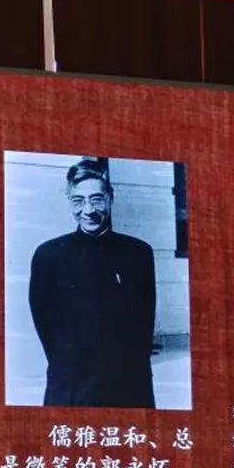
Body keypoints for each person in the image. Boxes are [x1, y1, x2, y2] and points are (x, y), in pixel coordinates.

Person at [28, 158, 156, 408]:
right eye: (78, 201)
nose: (88, 210)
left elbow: (144, 323)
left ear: (110, 197)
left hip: (128, 384)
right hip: (72, 384)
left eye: (96, 199)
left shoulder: (138, 253)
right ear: (69, 201)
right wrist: (67, 367)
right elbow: (46, 328)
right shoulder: (49, 255)